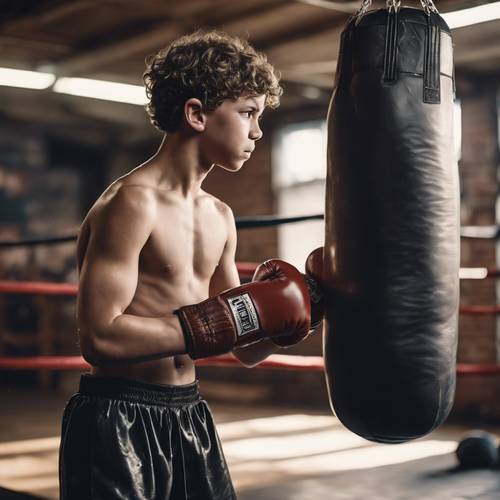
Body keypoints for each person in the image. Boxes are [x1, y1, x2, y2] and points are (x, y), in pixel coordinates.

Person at [58, 30, 319, 500]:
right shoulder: (132, 204)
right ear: (197, 114)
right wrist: (208, 324)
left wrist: (310, 304)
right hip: (118, 417)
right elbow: (99, 338)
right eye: (247, 113)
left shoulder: (220, 216)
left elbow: (245, 349)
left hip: (190, 412)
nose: (258, 131)